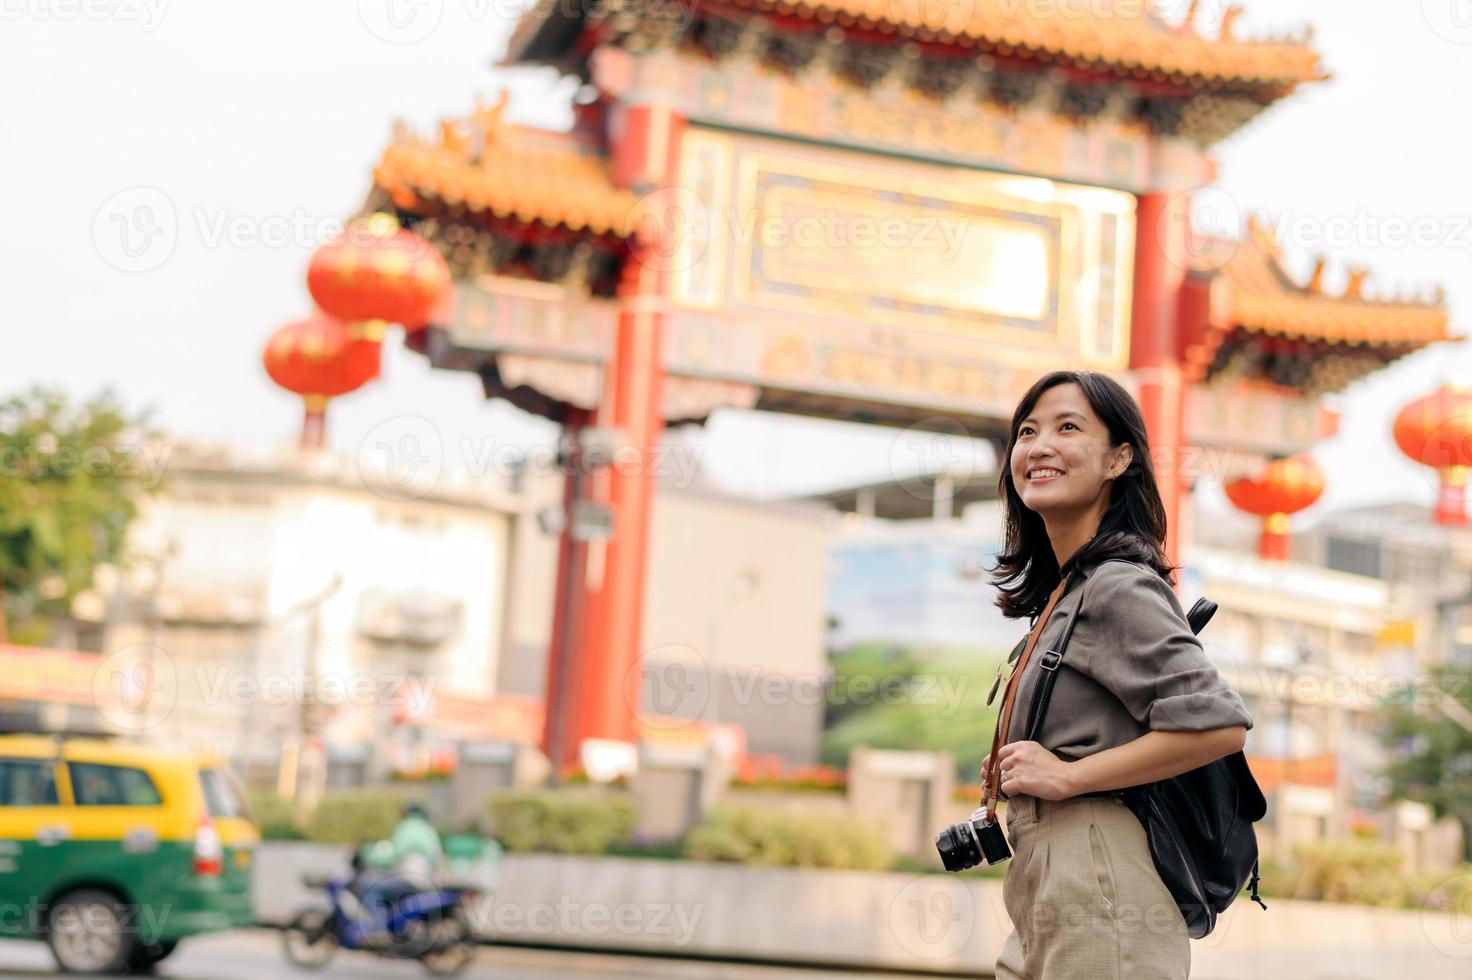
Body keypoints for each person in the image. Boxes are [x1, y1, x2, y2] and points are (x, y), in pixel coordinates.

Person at [982, 370, 1253, 980]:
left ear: (1118, 458)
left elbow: (1219, 725)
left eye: (1068, 427)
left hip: (1097, 872)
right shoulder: (1069, 592)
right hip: (1044, 877)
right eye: (1027, 432)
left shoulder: (1116, 584)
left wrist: (1068, 774)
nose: (1039, 446)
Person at [353, 802, 444, 940]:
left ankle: (379, 928)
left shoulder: (408, 827)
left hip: (409, 879)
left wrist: (368, 853)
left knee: (369, 888)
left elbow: (393, 855)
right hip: (426, 881)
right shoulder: (429, 829)